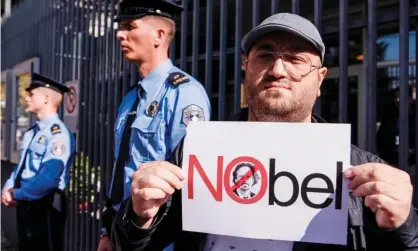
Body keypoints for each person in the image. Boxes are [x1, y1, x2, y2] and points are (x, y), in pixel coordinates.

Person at [111, 13, 418, 251]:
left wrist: (404, 225)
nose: (278, 70)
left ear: (320, 79)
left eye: (296, 59)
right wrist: (139, 216)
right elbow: (135, 244)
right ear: (247, 66)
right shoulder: (199, 150)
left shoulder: (356, 174)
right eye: (266, 56)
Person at [97, 0, 211, 250]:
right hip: (123, 230)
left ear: (159, 35)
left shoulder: (184, 93)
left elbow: (189, 180)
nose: (120, 34)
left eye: (130, 26)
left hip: (158, 240)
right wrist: (109, 231)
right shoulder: (130, 98)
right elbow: (122, 170)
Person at [1, 72, 76, 251]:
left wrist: (16, 194)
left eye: (31, 94)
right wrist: (9, 187)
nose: (27, 98)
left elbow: (47, 179)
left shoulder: (59, 135)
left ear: (46, 99)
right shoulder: (32, 132)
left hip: (45, 204)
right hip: (26, 200)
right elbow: (22, 166)